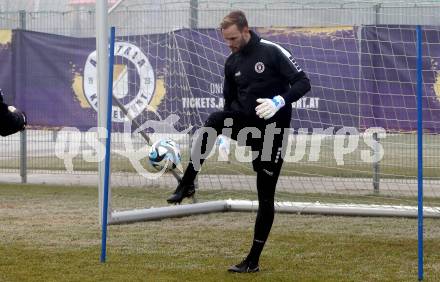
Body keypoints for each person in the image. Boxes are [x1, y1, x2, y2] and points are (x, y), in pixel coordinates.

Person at [167, 10, 311, 273]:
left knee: (265, 195)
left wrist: (279, 101)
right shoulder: (231, 62)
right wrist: (221, 135)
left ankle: (252, 261)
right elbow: (228, 104)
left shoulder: (272, 51)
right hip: (245, 126)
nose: (229, 44)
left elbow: (303, 82)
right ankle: (187, 184)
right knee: (213, 119)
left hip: (271, 134)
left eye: (233, 38)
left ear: (246, 30)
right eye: (226, 40)